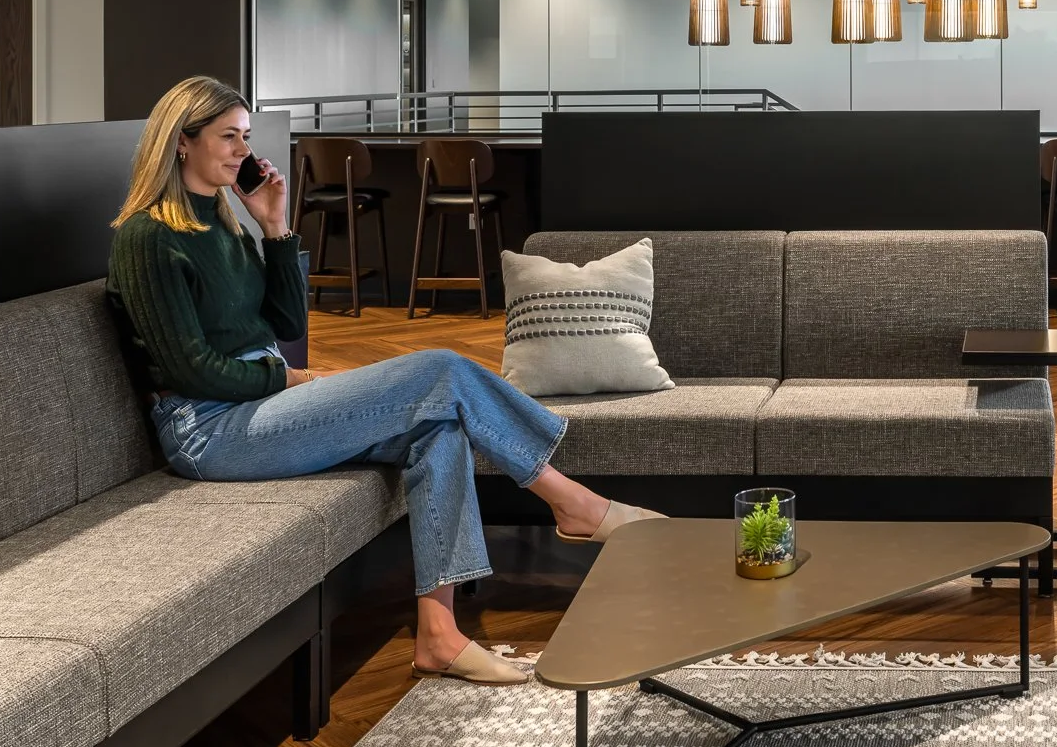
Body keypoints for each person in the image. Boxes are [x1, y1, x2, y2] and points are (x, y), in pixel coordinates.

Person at [108, 76, 656, 686]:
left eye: (245, 137)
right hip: (208, 429)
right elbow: (190, 370)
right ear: (181, 142)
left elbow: (287, 322)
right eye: (228, 137)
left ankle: (439, 636)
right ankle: (575, 503)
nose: (242, 152)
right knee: (441, 368)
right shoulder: (148, 238)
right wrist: (287, 377)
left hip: (253, 406)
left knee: (440, 430)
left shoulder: (224, 223)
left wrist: (275, 227)